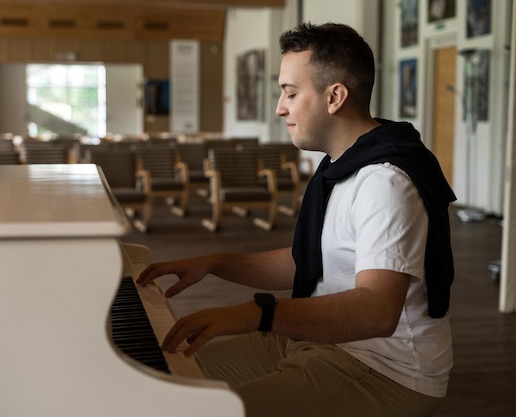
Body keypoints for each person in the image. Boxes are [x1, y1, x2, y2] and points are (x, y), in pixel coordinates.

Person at [137, 22, 456, 417]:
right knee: (169, 374)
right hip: (321, 338)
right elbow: (307, 261)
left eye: (290, 92)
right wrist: (215, 263)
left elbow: (376, 311)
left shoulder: (384, 182)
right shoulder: (341, 165)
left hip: (382, 366)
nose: (279, 107)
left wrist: (258, 314)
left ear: (334, 96)